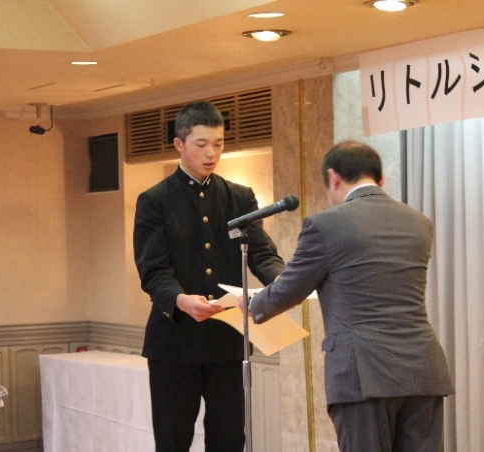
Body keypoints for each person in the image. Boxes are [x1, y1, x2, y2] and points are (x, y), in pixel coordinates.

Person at [240, 140, 454, 452]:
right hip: (423, 370)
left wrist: (251, 304)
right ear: (381, 179)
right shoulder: (419, 223)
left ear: (333, 177)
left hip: (362, 372)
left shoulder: (326, 225)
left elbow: (288, 290)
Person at [133, 100, 285, 452]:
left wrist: (283, 284)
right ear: (179, 144)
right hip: (173, 342)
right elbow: (153, 270)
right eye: (201, 144)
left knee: (229, 439)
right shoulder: (155, 200)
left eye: (218, 144)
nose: (211, 153)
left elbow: (262, 254)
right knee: (173, 442)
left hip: (227, 342)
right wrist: (181, 299)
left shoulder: (239, 197)